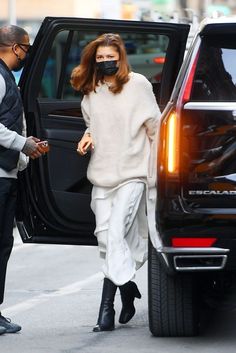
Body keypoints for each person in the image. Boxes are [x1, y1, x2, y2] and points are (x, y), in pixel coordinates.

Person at [71, 33, 161, 332]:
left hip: (133, 172)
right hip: (102, 174)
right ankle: (127, 289)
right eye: (100, 59)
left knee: (117, 234)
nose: (106, 62)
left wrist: (160, 174)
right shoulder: (92, 90)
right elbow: (92, 126)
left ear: (120, 58)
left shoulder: (139, 85)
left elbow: (155, 128)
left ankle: (105, 310)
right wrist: (87, 138)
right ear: (92, 61)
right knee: (106, 238)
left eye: (110, 57)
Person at [0, 25, 43, 334]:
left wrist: (25, 152)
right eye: (26, 48)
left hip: (7, 173)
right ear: (15, 48)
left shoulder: (7, 78)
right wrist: (22, 143)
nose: (26, 54)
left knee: (3, 246)